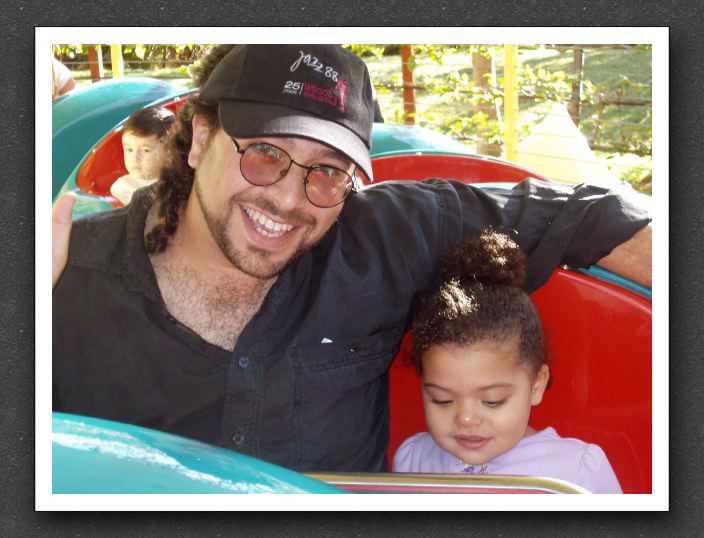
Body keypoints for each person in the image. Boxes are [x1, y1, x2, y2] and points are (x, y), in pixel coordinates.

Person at [52, 44, 651, 473]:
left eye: (328, 172)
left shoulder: (380, 236)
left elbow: (590, 215)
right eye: (263, 152)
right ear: (201, 136)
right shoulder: (66, 274)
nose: (289, 199)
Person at [391, 230, 622, 493]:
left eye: (492, 401)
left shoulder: (576, 472)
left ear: (536, 386)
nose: (466, 419)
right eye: (443, 400)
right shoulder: (413, 460)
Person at [109, 107, 175, 205]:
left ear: (170, 153)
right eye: (129, 150)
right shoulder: (123, 188)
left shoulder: (179, 181)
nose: (134, 158)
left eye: (145, 150)